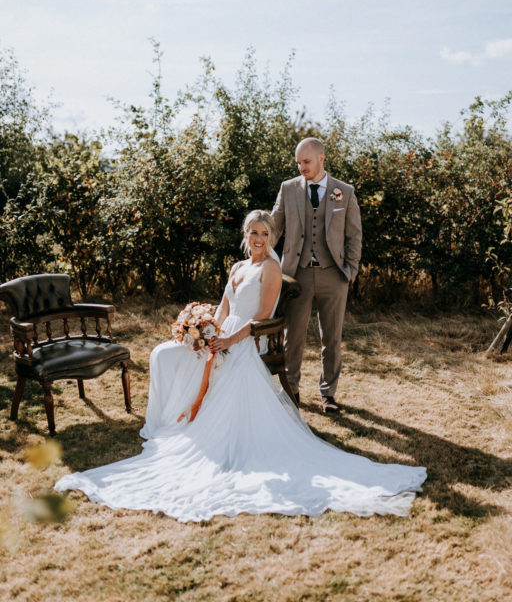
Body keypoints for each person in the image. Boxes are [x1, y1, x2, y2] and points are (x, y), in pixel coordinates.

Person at [55, 210, 425, 522]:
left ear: (272, 237)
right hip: (222, 334)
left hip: (249, 339)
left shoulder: (271, 270)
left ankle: (194, 423)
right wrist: (200, 331)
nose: (258, 238)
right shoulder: (237, 266)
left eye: (265, 233)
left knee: (216, 374)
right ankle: (169, 419)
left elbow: (262, 317)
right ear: (245, 235)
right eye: (253, 232)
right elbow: (223, 308)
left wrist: (229, 341)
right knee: (162, 354)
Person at [272, 138, 362, 412]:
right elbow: (273, 227)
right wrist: (259, 256)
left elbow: (354, 235)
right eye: (298, 162)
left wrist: (350, 271)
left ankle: (328, 395)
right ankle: (291, 391)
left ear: (322, 158)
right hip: (296, 276)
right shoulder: (288, 189)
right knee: (293, 336)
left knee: (332, 338)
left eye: (306, 162)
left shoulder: (343, 191)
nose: (301, 167)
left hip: (333, 275)